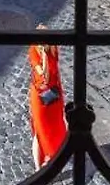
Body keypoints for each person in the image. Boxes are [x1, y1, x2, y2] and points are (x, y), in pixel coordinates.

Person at [26, 26, 68, 169]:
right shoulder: (33, 51)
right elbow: (45, 76)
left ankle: (53, 156)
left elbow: (55, 73)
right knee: (40, 131)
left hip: (54, 96)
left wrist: (47, 52)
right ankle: (38, 168)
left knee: (56, 128)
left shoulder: (53, 48)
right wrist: (44, 56)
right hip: (40, 97)